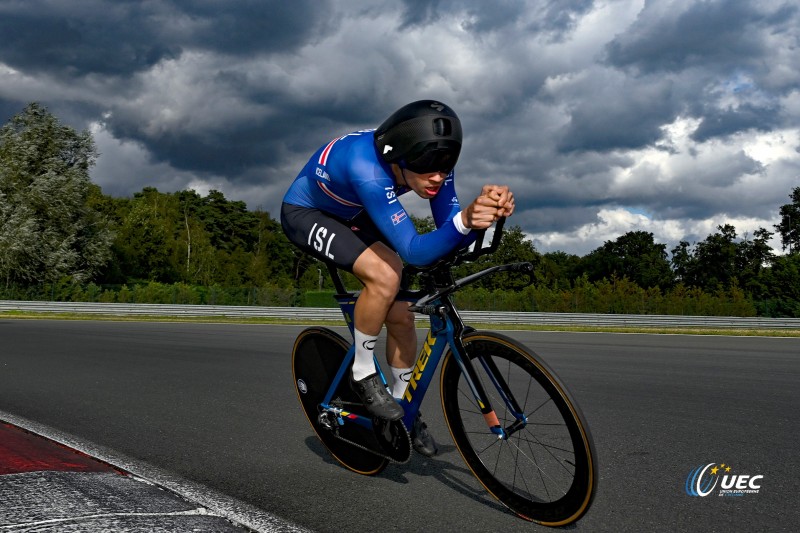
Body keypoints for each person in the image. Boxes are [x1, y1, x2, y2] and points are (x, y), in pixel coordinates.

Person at [281, 100, 514, 457]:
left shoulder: (432, 162)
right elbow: (414, 251)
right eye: (426, 169)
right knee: (386, 275)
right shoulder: (367, 169)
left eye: (445, 167)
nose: (437, 177)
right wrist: (465, 221)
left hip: (356, 211)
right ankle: (362, 371)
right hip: (308, 213)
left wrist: (481, 216)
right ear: (398, 158)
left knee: (403, 314)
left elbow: (447, 223)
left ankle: (403, 410)